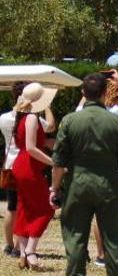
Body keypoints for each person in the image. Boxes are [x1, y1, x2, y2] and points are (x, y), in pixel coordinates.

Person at [50, 73, 118, 276]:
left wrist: (54, 188)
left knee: (75, 239)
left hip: (77, 186)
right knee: (113, 240)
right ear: (105, 92)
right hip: (109, 186)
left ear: (83, 93)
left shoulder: (69, 121)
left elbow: (58, 162)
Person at [73, 69, 118, 266]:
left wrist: (88, 87)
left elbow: (78, 109)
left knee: (86, 216)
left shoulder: (80, 115)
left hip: (84, 170)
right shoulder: (115, 114)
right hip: (111, 169)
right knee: (107, 215)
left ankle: (96, 253)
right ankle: (107, 254)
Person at [10, 83, 57, 270]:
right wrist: (53, 162)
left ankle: (23, 253)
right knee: (46, 208)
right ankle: (30, 250)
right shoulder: (31, 117)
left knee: (25, 208)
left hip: (21, 165)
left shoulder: (22, 117)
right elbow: (31, 147)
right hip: (28, 167)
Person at [0, 82, 38, 258]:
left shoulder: (4, 118)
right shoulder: (32, 119)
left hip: (9, 165)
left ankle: (8, 245)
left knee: (11, 206)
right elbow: (51, 126)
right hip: (26, 166)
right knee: (25, 207)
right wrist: (47, 107)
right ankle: (18, 246)